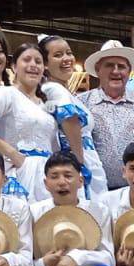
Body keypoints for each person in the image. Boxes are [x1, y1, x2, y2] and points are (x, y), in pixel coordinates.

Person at [0, 43, 61, 203]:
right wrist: (15, 156)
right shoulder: (6, 93)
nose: (33, 65)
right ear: (14, 66)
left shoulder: (46, 104)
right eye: (27, 60)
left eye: (38, 61)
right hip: (21, 171)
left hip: (47, 176)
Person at [78, 40, 134, 191]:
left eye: (121, 66)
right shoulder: (81, 103)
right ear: (98, 70)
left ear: (129, 71)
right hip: (93, 190)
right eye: (109, 65)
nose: (116, 71)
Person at [41, 34, 105, 195]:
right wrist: (80, 164)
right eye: (58, 55)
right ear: (45, 64)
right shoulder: (53, 89)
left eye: (68, 53)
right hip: (75, 162)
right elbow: (69, 121)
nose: (66, 59)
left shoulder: (64, 92)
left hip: (83, 159)